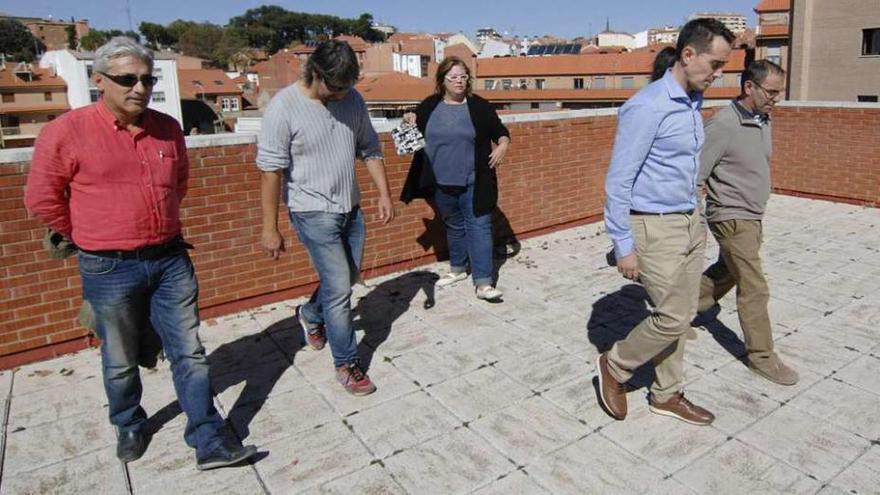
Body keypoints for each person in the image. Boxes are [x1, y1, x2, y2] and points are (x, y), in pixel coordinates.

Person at [25, 37, 256, 469]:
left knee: (189, 350)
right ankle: (129, 422)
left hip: (169, 259)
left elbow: (179, 184)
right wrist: (88, 234)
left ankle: (208, 437)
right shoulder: (66, 132)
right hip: (107, 265)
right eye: (127, 79)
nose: (139, 88)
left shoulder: (167, 128)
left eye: (147, 80)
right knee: (119, 356)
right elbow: (41, 198)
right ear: (99, 81)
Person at [595, 19, 735, 426]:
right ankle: (616, 366)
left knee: (683, 310)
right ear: (688, 54)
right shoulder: (648, 106)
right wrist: (623, 245)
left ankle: (666, 394)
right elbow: (618, 182)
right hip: (653, 227)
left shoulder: (692, 100)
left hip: (690, 220)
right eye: (715, 63)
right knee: (673, 316)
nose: (719, 73)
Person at [257, 40, 395, 396]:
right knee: (338, 289)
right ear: (315, 74)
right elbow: (271, 171)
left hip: (350, 207)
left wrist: (383, 193)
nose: (341, 95)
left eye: (347, 87)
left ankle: (311, 314)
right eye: (335, 87)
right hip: (311, 210)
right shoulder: (284, 108)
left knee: (346, 278)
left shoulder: (352, 100)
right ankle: (347, 364)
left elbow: (370, 148)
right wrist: (269, 228)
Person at [696, 60, 797, 385]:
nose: (776, 98)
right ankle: (762, 358)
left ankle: (679, 309)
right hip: (730, 215)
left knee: (727, 270)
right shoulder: (722, 125)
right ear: (749, 87)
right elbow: (697, 175)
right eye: (770, 91)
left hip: (752, 215)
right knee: (753, 286)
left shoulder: (763, 119)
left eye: (779, 92)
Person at [400, 56, 511, 301]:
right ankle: (458, 269)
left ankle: (483, 282)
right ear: (442, 81)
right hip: (440, 181)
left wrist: (503, 144)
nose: (459, 81)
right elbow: (413, 126)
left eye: (463, 77)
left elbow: (500, 131)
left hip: (474, 180)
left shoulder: (479, 107)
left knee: (479, 227)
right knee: (453, 224)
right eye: (454, 77)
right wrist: (409, 118)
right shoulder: (429, 106)